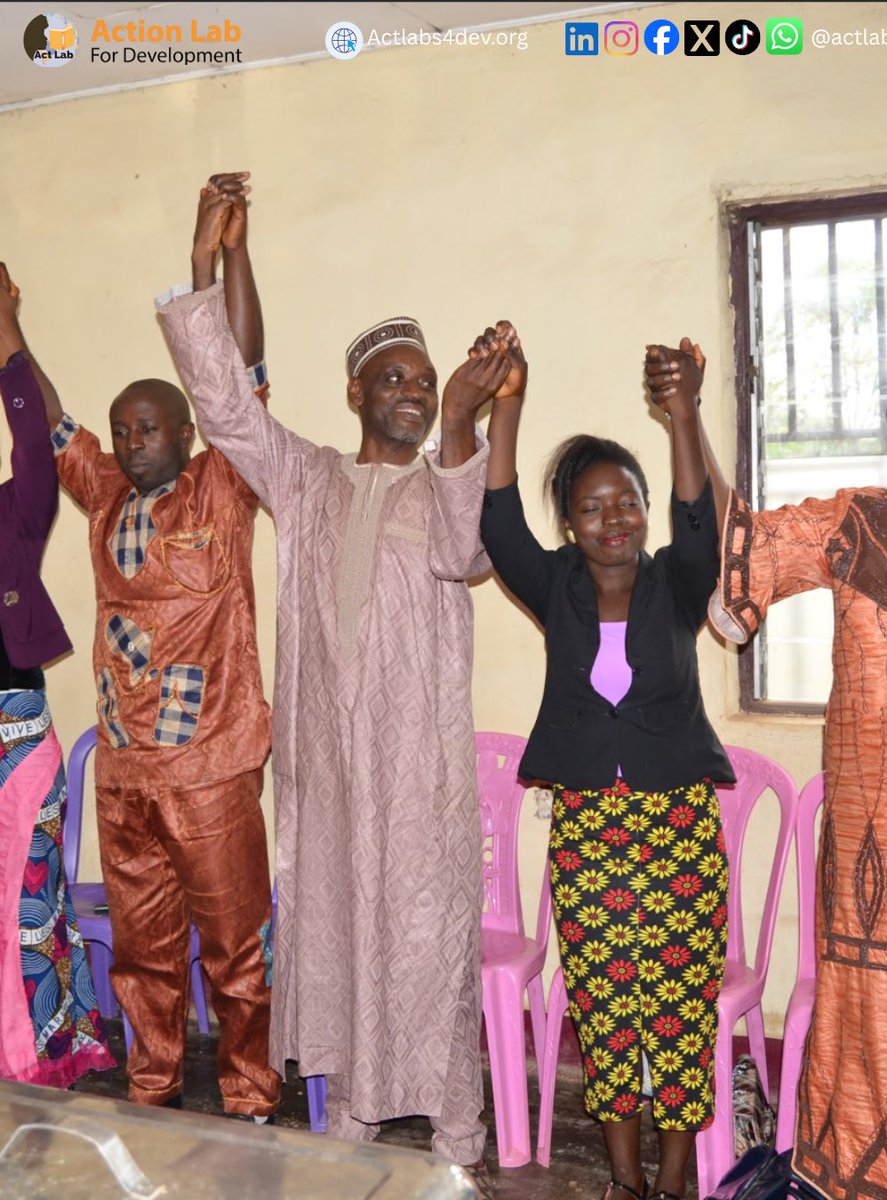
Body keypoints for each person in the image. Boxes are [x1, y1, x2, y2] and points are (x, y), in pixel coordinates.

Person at [156, 183, 511, 1182]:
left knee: (429, 939)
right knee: (343, 935)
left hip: (413, 768)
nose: (411, 391)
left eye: (426, 380)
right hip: (325, 769)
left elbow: (463, 551)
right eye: (394, 379)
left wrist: (465, 425)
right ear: (356, 392)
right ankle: (353, 1106)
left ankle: (454, 1136)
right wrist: (205, 266)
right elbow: (224, 407)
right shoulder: (306, 476)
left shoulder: (442, 481)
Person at [21, 177, 281, 1119]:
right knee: (142, 954)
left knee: (236, 948)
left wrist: (223, 259)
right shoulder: (104, 503)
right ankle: (152, 1093)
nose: (132, 444)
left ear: (185, 433)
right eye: (124, 431)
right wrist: (11, 333)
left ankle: (251, 1100)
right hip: (126, 780)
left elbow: (242, 375)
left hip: (211, 774)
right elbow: (53, 426)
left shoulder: (222, 488)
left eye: (149, 428)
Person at [699, 332, 887, 1200]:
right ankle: (861, 1173)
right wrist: (684, 419)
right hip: (874, 849)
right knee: (878, 1010)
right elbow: (748, 551)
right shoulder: (855, 521)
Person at [480, 328, 732, 1200]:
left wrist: (684, 412)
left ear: (644, 508)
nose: (613, 519)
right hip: (591, 834)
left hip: (678, 835)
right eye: (592, 508)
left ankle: (674, 1179)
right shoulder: (556, 588)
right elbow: (498, 520)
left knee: (677, 1012)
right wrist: (507, 401)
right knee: (606, 1009)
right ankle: (622, 1181)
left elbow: (704, 518)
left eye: (626, 502)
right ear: (571, 525)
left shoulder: (680, 581)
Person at [0, 262, 115, 1087]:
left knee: (27, 905)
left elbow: (36, 434)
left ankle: (34, 1049)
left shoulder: (12, 514)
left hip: (15, 733)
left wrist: (6, 321)